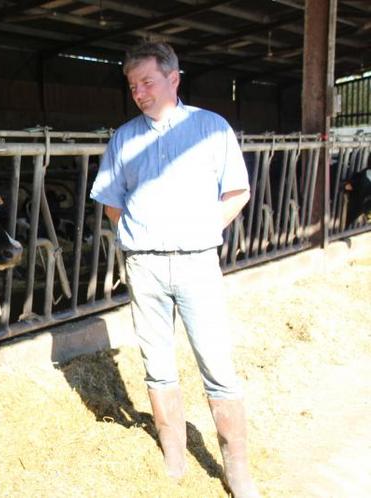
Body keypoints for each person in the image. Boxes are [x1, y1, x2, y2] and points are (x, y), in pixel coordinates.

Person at [90, 42, 259, 498]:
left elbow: (237, 192)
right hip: (144, 265)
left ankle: (237, 467)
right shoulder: (124, 137)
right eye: (133, 86)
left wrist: (202, 229)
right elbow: (110, 201)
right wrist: (137, 237)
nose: (140, 92)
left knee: (217, 362)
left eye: (147, 82)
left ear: (173, 78)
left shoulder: (210, 127)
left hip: (197, 261)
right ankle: (174, 453)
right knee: (157, 362)